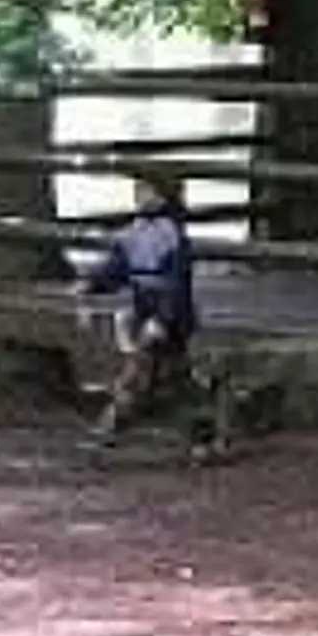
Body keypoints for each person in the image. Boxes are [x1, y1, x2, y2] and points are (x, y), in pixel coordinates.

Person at [79, 168, 202, 447]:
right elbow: (118, 267)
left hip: (169, 317)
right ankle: (196, 427)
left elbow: (177, 284)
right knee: (165, 373)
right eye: (138, 190)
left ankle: (113, 423)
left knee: (145, 369)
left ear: (162, 197)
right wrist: (93, 283)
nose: (139, 196)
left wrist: (162, 319)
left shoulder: (172, 235)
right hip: (144, 307)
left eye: (146, 191)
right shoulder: (134, 232)